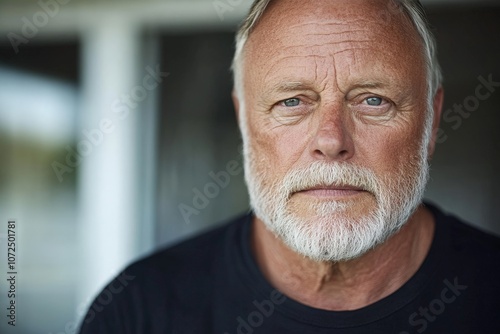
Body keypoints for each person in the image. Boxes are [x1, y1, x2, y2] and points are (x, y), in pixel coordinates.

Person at [79, 0, 500, 333]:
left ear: (431, 121)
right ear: (244, 120)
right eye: (292, 102)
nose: (332, 141)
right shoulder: (137, 309)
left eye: (373, 100)